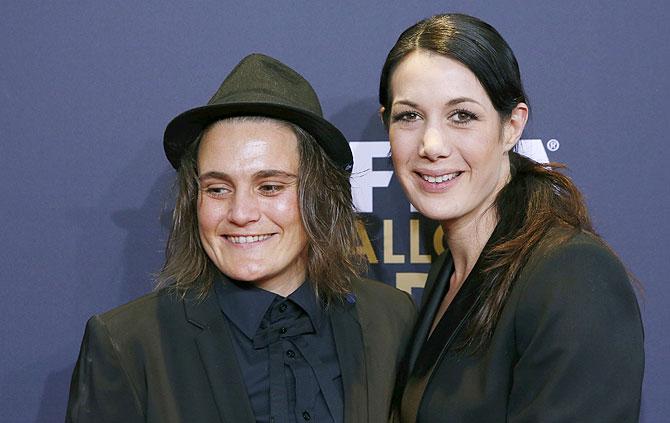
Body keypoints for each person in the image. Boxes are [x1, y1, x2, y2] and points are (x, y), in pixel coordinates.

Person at [66, 53, 416, 423]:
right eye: (217, 189)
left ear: (320, 196)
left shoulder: (389, 319)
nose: (240, 213)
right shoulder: (127, 345)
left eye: (269, 186)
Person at [378, 14, 644, 423]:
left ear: (511, 126)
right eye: (409, 116)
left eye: (461, 115)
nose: (431, 145)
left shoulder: (570, 274)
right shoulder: (449, 272)